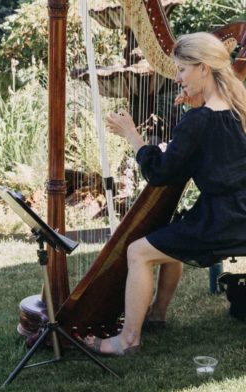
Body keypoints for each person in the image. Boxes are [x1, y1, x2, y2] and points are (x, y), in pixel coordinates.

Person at [84, 32, 246, 357]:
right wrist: (195, 106)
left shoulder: (198, 121)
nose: (178, 78)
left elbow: (159, 173)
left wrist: (132, 135)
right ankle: (156, 314)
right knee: (167, 233)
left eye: (182, 69)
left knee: (138, 252)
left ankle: (127, 339)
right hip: (238, 212)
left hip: (224, 221)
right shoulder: (237, 106)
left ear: (203, 69)